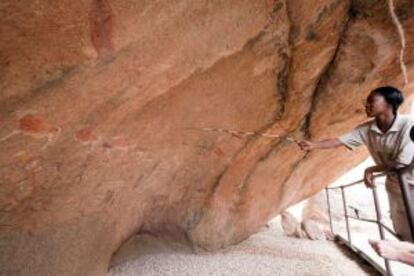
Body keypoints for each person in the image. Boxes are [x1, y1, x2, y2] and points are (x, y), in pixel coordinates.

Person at [297, 86, 414, 241]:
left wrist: (370, 169)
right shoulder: (367, 129)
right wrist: (313, 145)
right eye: (366, 101)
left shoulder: (408, 125)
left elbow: (401, 162)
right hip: (395, 187)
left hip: (411, 184)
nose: (367, 105)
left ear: (389, 104)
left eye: (372, 101)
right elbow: (338, 141)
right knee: (405, 236)